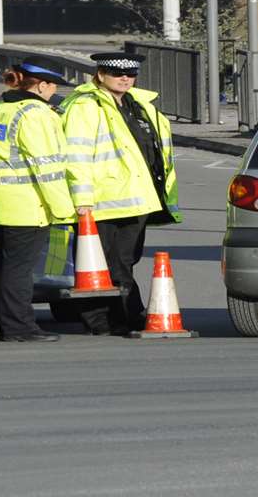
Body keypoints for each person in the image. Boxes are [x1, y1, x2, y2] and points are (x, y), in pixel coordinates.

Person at [59, 51, 182, 336]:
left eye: (130, 74)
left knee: (124, 261)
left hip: (137, 200)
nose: (125, 78)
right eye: (117, 73)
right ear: (100, 75)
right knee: (98, 266)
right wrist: (82, 199)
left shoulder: (139, 105)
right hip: (101, 201)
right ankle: (107, 320)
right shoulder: (85, 107)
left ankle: (123, 316)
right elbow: (76, 155)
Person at [0, 56, 77, 343]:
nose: (53, 91)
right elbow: (47, 167)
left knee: (1, 267)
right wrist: (63, 210)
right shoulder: (36, 114)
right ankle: (20, 328)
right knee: (19, 270)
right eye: (53, 86)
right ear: (42, 85)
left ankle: (5, 325)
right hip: (26, 204)